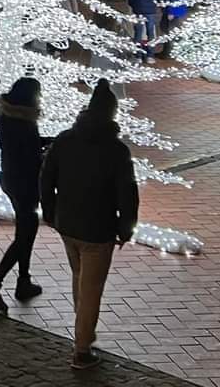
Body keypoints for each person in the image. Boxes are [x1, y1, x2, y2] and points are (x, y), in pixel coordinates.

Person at [41, 79, 139, 370]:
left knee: (79, 278)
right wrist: (126, 228)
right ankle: (82, 349)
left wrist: (50, 212)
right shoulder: (116, 150)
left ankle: (84, 331)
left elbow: (46, 178)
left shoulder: (65, 139)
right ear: (112, 113)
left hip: (68, 224)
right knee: (91, 287)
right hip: (99, 229)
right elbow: (127, 194)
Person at [0, 77, 50, 314]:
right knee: (25, 235)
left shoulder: (5, 115)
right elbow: (31, 153)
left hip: (9, 177)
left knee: (26, 231)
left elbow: (24, 145)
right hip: (25, 182)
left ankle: (23, 281)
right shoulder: (24, 122)